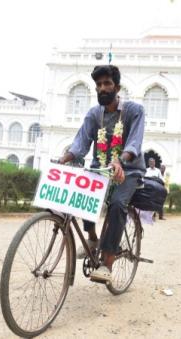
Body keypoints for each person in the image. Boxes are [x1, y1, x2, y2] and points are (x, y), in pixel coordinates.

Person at [59, 65, 146, 282]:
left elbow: (134, 142)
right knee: (83, 193)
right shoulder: (93, 114)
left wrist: (120, 160)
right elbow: (81, 143)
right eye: (98, 85)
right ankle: (92, 238)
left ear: (117, 87)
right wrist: (64, 158)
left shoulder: (134, 111)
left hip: (129, 169)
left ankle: (107, 264)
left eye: (107, 84)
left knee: (117, 204)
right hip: (101, 167)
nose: (102, 88)